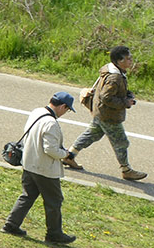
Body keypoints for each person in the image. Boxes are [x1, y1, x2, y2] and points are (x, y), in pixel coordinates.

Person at [63, 46, 147, 181]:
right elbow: (106, 97)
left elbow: (110, 93)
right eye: (128, 58)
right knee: (121, 142)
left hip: (100, 112)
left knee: (91, 135)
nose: (131, 60)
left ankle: (69, 156)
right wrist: (125, 102)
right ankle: (126, 170)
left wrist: (127, 94)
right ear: (119, 61)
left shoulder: (112, 70)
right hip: (109, 116)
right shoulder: (115, 77)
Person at [4, 90, 78, 244]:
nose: (66, 113)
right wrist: (65, 154)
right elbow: (50, 149)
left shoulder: (37, 112)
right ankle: (54, 234)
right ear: (63, 106)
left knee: (27, 195)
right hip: (44, 168)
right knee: (54, 201)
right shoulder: (51, 123)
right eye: (68, 109)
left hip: (29, 162)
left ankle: (11, 224)